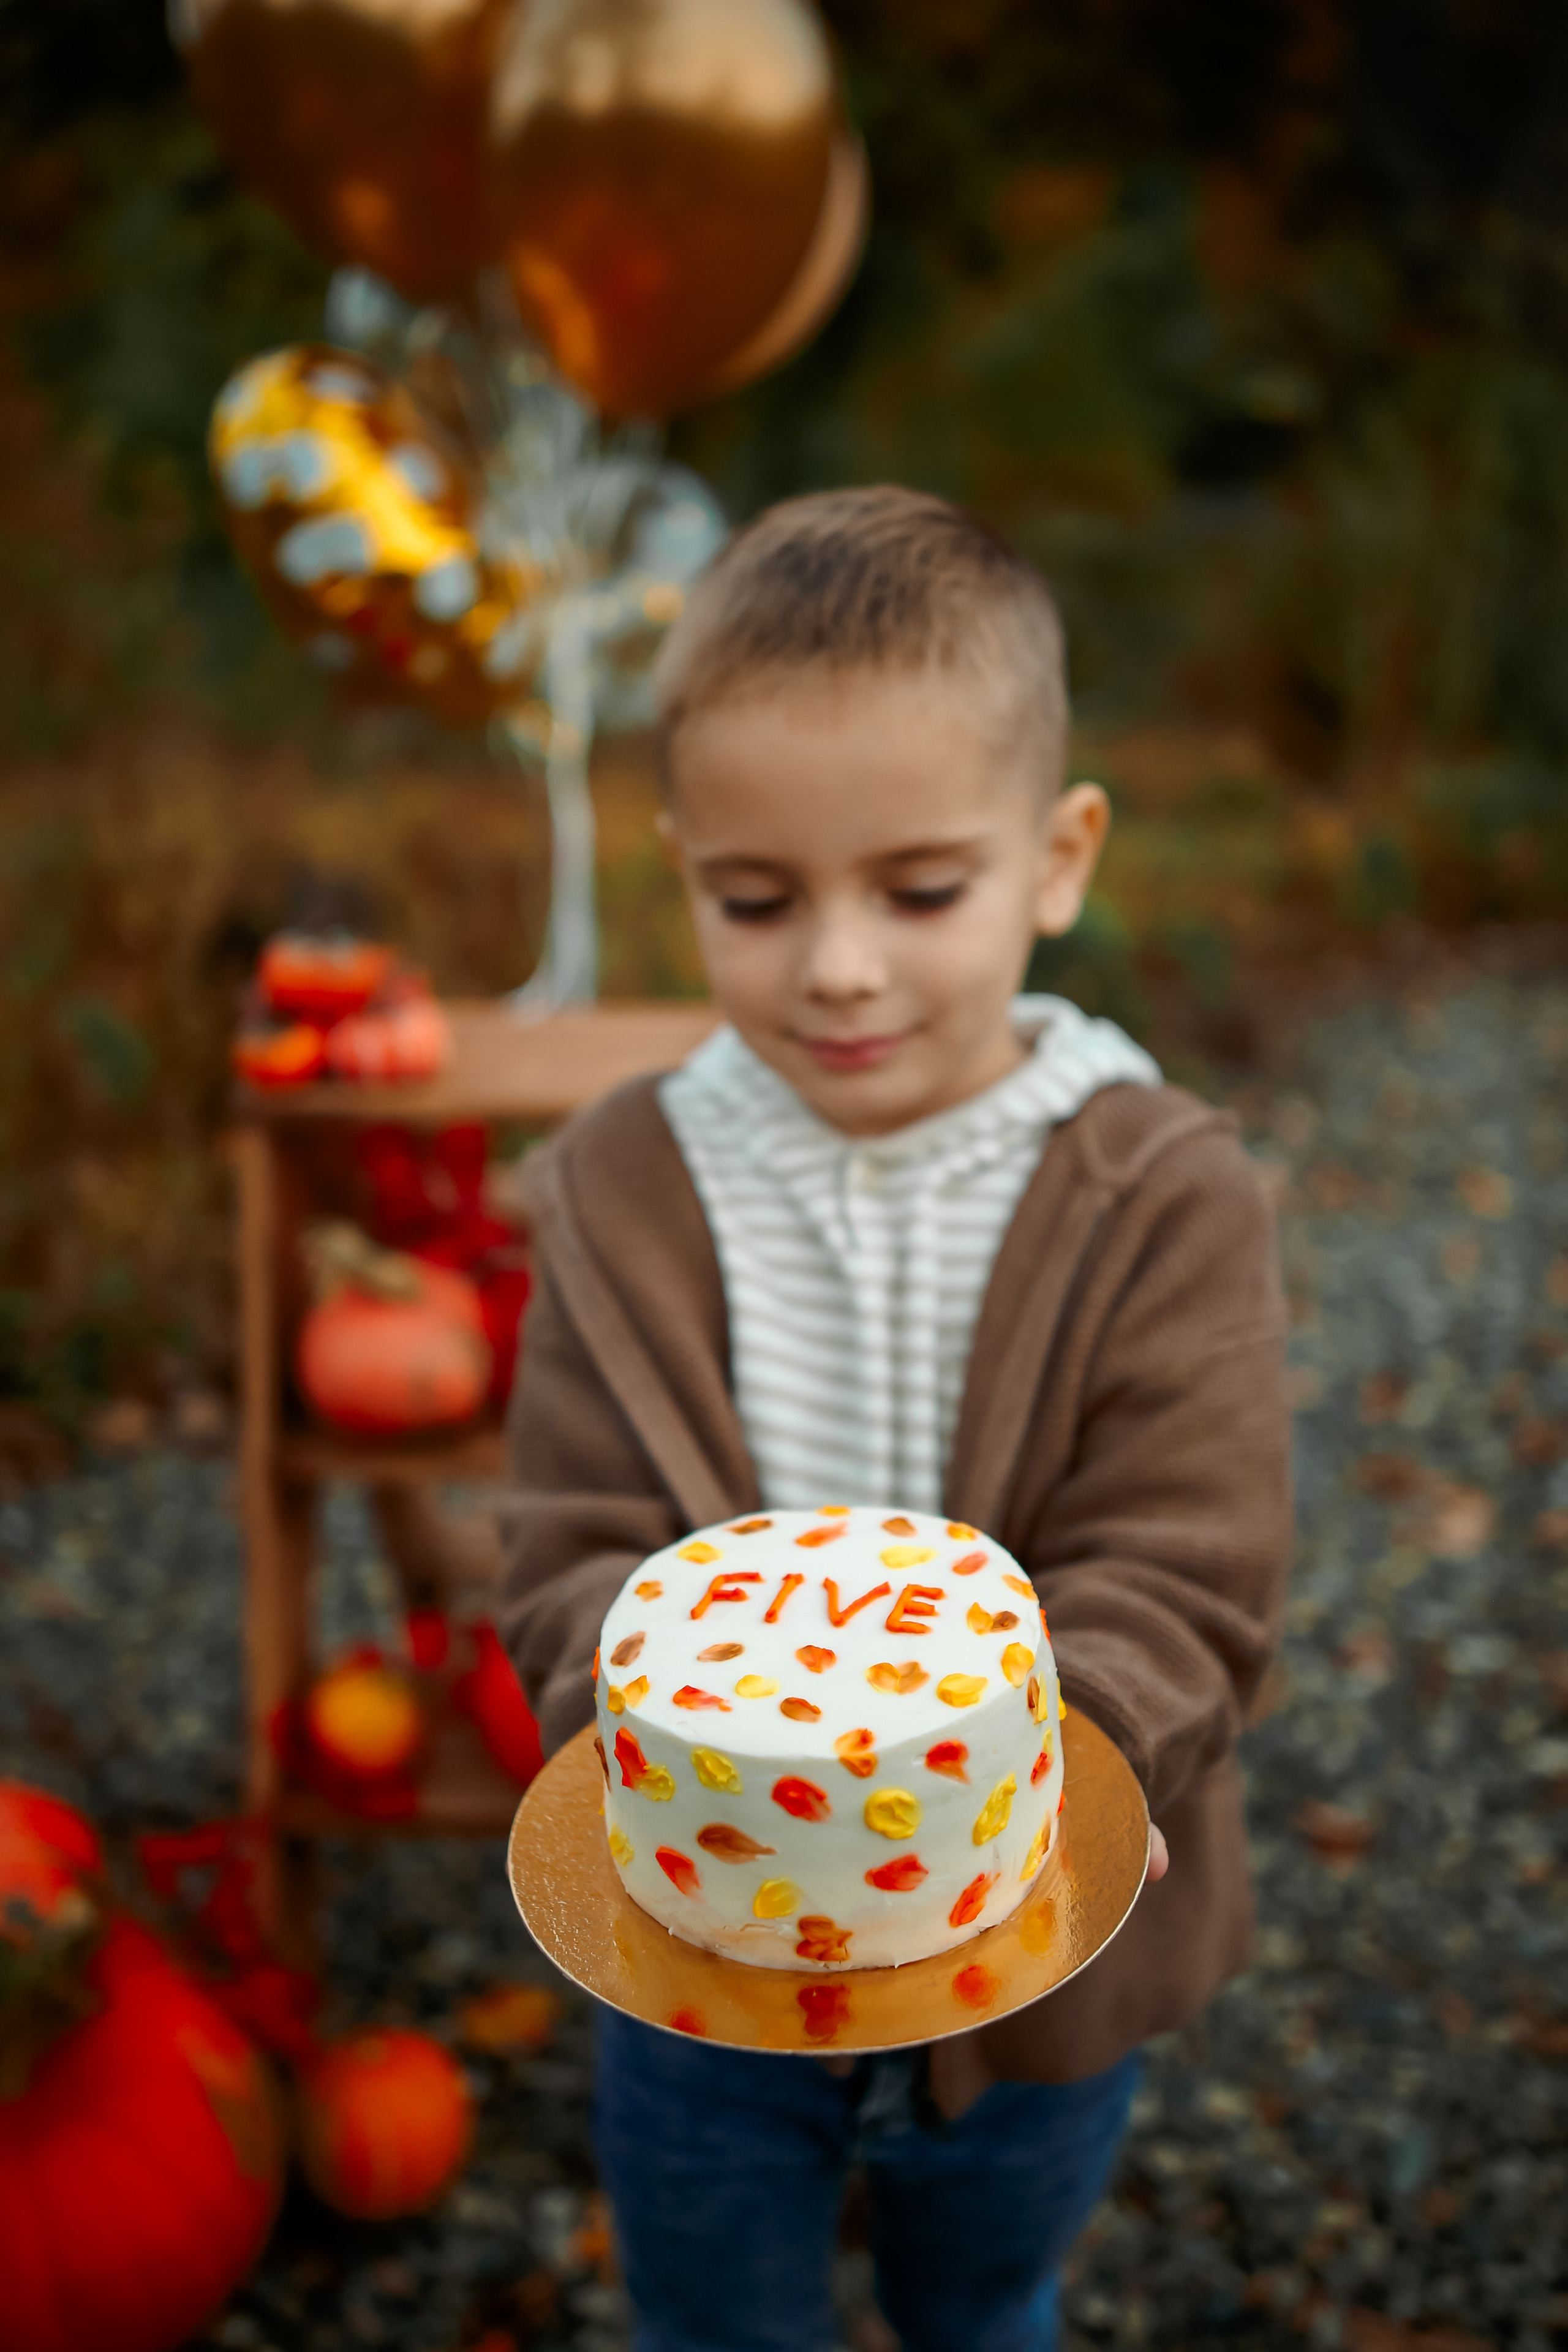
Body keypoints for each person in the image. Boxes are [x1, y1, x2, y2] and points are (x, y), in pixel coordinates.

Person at [499, 486, 1291, 2352]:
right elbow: (567, 1543)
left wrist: (1077, 1746)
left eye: (921, 892)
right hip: (705, 1954)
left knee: (990, 2300)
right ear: (682, 867)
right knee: (712, 2319)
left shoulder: (1157, 1192)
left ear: (1060, 857)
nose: (838, 966)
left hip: (1027, 1957)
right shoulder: (624, 1185)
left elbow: (1187, 1553)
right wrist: (654, 1755)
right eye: (756, 901)